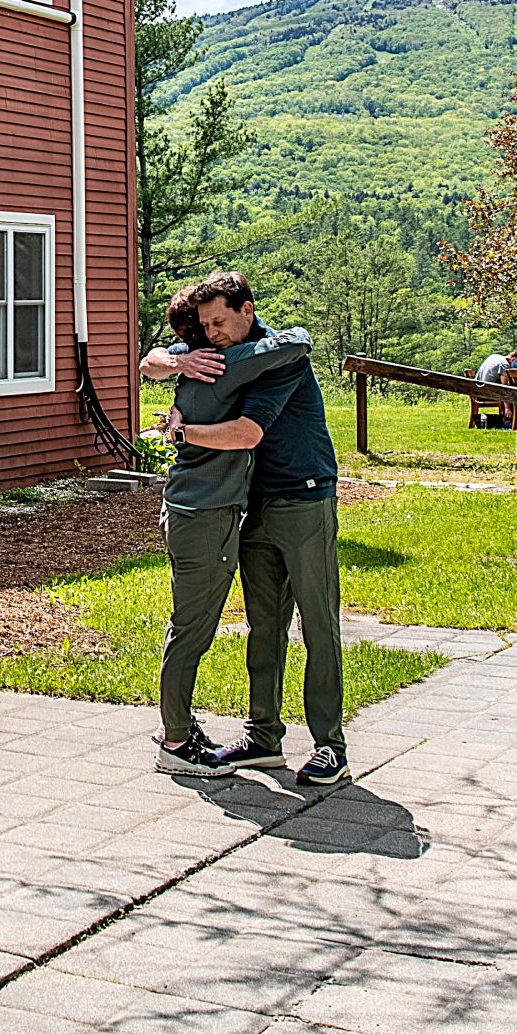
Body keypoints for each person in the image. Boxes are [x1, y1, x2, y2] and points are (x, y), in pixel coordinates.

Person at [143, 270, 349, 787]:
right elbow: (150, 362)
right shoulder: (211, 352)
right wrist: (181, 359)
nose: (211, 332)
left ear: (247, 311)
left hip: (303, 495)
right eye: (204, 324)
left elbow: (248, 432)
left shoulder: (277, 356)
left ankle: (330, 745)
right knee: (265, 623)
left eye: (219, 322)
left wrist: (181, 431)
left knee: (318, 623)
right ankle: (263, 738)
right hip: (252, 504)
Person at [472, 350, 512, 429]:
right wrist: (508, 408)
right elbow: (504, 388)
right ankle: (509, 422)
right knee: (513, 397)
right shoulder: (504, 364)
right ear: (512, 359)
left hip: (477, 391)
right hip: (486, 393)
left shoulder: (494, 356)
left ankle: (506, 422)